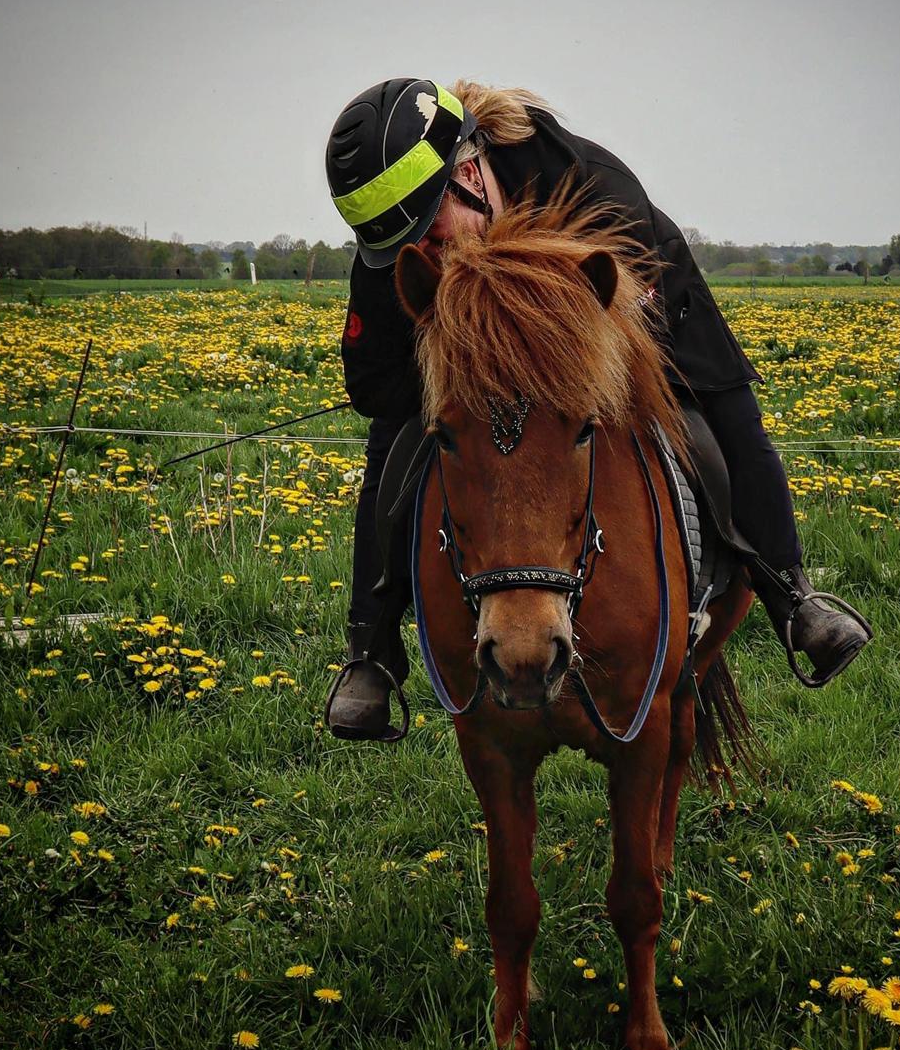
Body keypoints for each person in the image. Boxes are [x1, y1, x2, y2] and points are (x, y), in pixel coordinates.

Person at [324, 78, 871, 740]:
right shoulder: (397, 250)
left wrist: (541, 346)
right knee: (392, 442)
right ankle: (371, 653)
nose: (426, 251)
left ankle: (793, 594)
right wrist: (450, 358)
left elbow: (623, 326)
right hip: (477, 348)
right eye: (405, 247)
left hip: (646, 311)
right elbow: (372, 386)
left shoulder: (589, 181)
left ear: (468, 172)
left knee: (729, 415)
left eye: (433, 232)